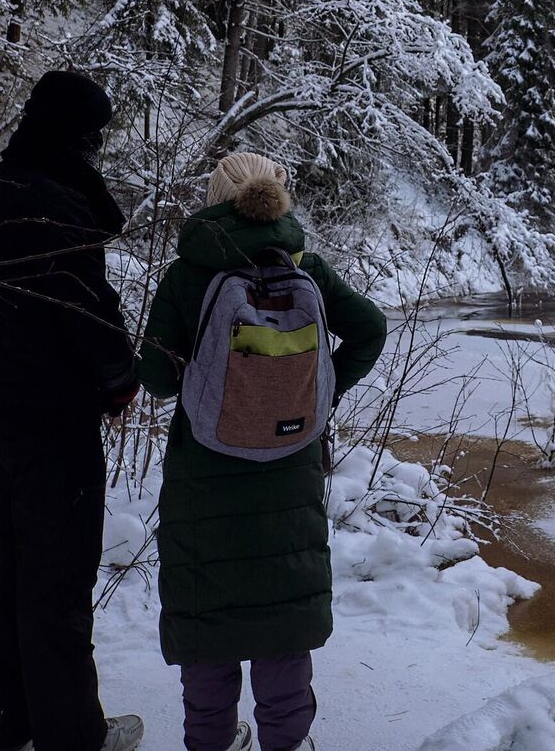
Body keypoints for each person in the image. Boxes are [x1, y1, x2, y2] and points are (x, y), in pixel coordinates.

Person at [139, 152, 387, 751]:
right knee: (282, 621)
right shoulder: (308, 269)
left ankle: (211, 742)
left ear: (214, 201)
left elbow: (156, 376)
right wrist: (314, 397)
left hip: (204, 473)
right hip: (290, 467)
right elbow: (371, 329)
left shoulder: (186, 276)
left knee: (208, 621)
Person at [0, 71, 145, 751]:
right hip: (55, 428)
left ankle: (13, 728)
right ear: (76, 133)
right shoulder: (52, 205)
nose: (97, 148)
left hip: (0, 420)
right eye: (94, 134)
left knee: (8, 582)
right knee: (58, 586)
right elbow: (86, 312)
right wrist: (121, 382)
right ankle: (72, 738)